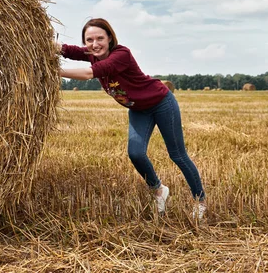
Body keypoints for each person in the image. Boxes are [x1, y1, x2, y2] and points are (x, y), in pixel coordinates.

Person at [56, 18, 206, 220]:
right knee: (135, 153)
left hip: (161, 103)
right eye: (89, 40)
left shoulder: (121, 54)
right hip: (138, 109)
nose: (95, 44)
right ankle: (159, 190)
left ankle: (200, 201)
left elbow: (89, 73)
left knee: (177, 155)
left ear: (110, 38)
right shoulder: (92, 54)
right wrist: (43, 44)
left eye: (100, 38)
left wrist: (53, 70)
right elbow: (67, 50)